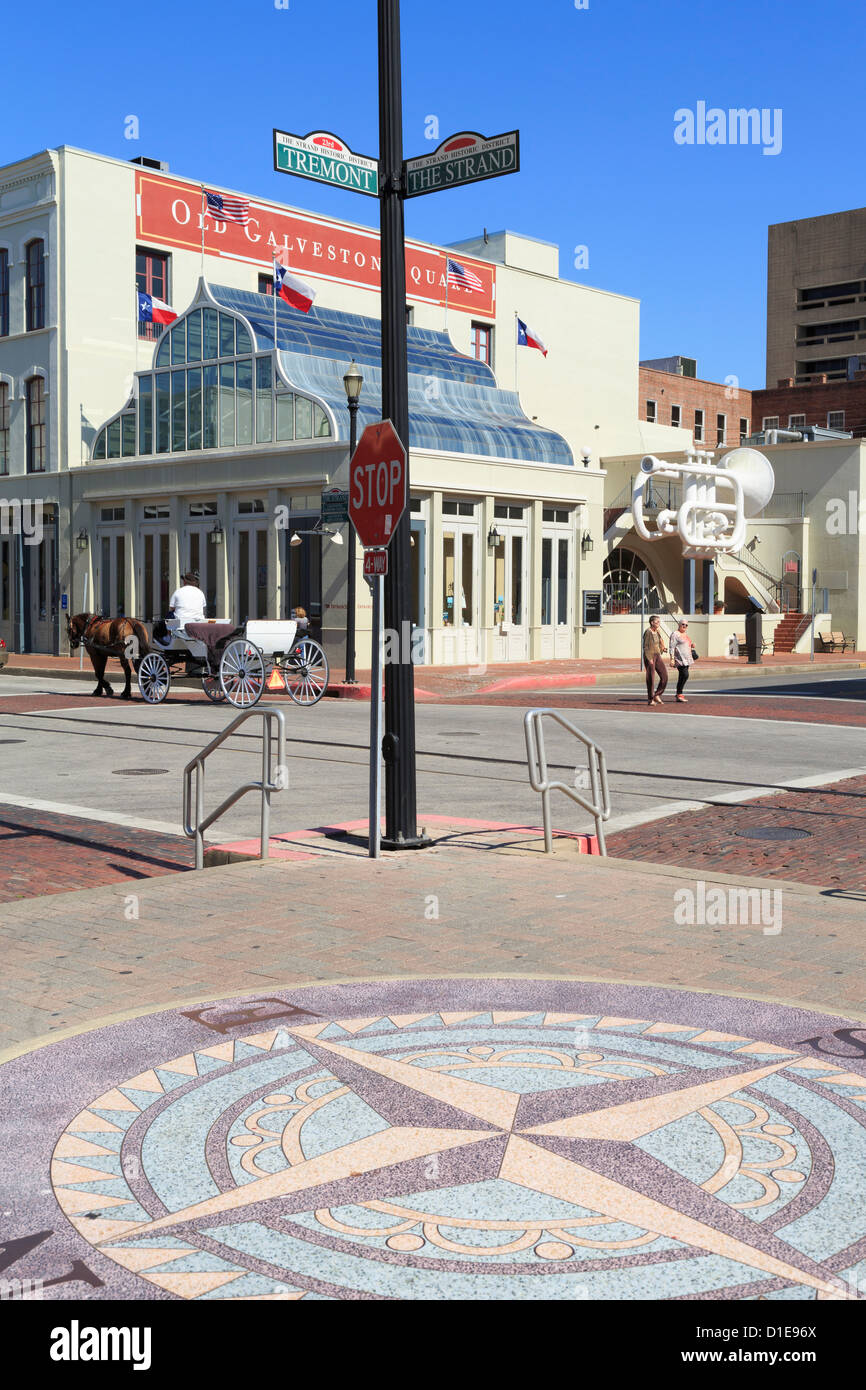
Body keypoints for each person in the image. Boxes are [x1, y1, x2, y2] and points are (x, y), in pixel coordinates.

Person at [643, 614, 668, 705]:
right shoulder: (648, 632)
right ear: (652, 622)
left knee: (664, 676)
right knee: (651, 678)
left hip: (657, 655)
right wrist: (649, 658)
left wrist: (663, 649)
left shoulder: (657, 631)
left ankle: (657, 694)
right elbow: (645, 647)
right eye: (657, 622)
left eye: (659, 622)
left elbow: (659, 642)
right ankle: (650, 699)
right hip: (650, 656)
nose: (659, 623)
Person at [670, 619, 695, 702]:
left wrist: (691, 645)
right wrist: (672, 659)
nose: (684, 626)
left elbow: (685, 644)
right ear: (679, 624)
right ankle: (679, 693)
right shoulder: (675, 634)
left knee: (682, 676)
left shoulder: (685, 634)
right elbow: (672, 647)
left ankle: (679, 694)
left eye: (686, 625)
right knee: (685, 675)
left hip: (687, 658)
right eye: (683, 624)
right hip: (679, 659)